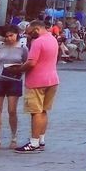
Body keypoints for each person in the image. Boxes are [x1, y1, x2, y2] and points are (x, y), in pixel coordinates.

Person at [16, 19, 60, 153]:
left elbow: (31, 63)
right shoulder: (52, 39)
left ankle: (33, 142)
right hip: (52, 79)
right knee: (44, 110)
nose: (29, 36)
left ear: (36, 30)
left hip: (36, 81)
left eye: (30, 33)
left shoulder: (38, 42)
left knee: (36, 112)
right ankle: (41, 139)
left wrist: (18, 69)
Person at [0, 25, 28, 149]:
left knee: (12, 110)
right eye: (7, 36)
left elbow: (26, 63)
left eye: (12, 35)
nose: (9, 38)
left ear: (17, 35)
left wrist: (18, 70)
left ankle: (14, 137)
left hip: (14, 80)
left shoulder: (23, 48)